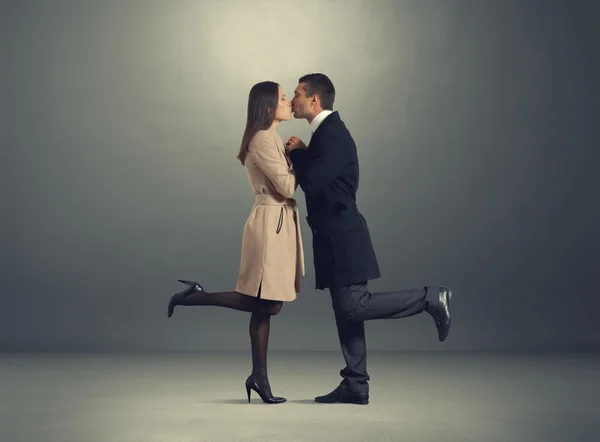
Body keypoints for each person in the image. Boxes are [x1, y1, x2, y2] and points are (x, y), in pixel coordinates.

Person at [286, 73, 452, 405]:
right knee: (344, 311)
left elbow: (314, 183)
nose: (292, 101)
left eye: (297, 95)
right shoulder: (323, 135)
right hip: (333, 234)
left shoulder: (332, 134)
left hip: (343, 235)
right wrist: (305, 150)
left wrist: (298, 155)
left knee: (354, 306)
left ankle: (430, 298)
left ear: (314, 100)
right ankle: (356, 384)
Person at [167, 81, 304, 405]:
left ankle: (259, 378)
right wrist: (301, 158)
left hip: (276, 223)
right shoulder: (261, 140)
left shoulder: (270, 138)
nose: (287, 103)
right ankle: (195, 298)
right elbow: (286, 186)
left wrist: (290, 152)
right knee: (266, 302)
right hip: (270, 224)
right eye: (283, 98)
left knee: (265, 306)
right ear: (269, 107)